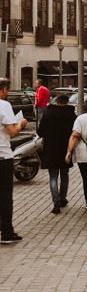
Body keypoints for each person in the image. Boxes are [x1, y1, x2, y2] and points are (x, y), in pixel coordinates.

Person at [0, 77, 29, 243]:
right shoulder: (4, 105)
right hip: (3, 156)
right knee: (5, 195)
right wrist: (21, 123)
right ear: (4, 89)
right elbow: (12, 132)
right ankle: (6, 232)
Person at [37, 93, 76, 214]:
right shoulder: (72, 116)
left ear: (57, 102)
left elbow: (40, 132)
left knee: (53, 176)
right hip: (66, 150)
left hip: (51, 150)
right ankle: (63, 198)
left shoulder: (48, 114)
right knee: (65, 175)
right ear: (67, 102)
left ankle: (56, 202)